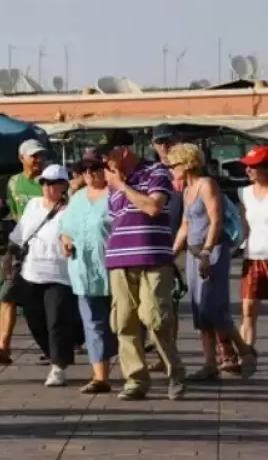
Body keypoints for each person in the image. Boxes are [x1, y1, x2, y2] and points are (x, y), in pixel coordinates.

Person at [97, 128, 186, 400]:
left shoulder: (156, 172)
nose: (105, 163)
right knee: (123, 322)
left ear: (123, 151)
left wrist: (123, 185)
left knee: (155, 318)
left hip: (152, 258)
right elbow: (116, 220)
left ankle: (175, 372)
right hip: (120, 260)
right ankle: (135, 380)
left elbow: (152, 207)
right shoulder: (112, 184)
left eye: (107, 155)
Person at [168, 143, 257, 380]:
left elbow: (216, 221)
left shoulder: (207, 184)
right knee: (200, 311)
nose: (171, 170)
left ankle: (245, 350)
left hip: (213, 252)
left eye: (174, 165)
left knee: (214, 307)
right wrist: (172, 253)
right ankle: (210, 364)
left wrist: (207, 251)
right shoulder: (187, 191)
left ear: (186, 164)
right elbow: (185, 226)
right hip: (193, 253)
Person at [8, 165, 79, 387]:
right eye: (44, 183)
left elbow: (74, 235)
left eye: (53, 183)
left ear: (64, 186)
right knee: (34, 320)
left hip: (60, 274)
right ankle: (56, 354)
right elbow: (18, 236)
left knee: (56, 320)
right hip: (31, 272)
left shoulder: (71, 208)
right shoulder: (32, 205)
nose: (48, 188)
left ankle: (58, 367)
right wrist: (7, 262)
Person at [0, 139, 46, 365]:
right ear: (22, 158)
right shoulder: (14, 183)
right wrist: (11, 251)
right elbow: (16, 216)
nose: (38, 160)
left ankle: (54, 346)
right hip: (22, 247)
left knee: (44, 301)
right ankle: (3, 346)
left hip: (47, 248)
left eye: (40, 156)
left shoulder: (49, 180)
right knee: (7, 295)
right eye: (33, 156)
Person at [59, 153, 117, 393]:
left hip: (114, 268)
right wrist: (65, 240)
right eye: (86, 169)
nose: (91, 173)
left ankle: (135, 368)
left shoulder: (116, 195)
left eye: (96, 168)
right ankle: (100, 376)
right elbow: (66, 228)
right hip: (83, 269)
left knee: (121, 322)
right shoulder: (77, 197)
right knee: (93, 322)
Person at [239, 145, 268, 348]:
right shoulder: (243, 193)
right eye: (247, 166)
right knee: (248, 308)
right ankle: (246, 352)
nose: (248, 170)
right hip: (252, 257)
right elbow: (241, 227)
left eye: (253, 166)